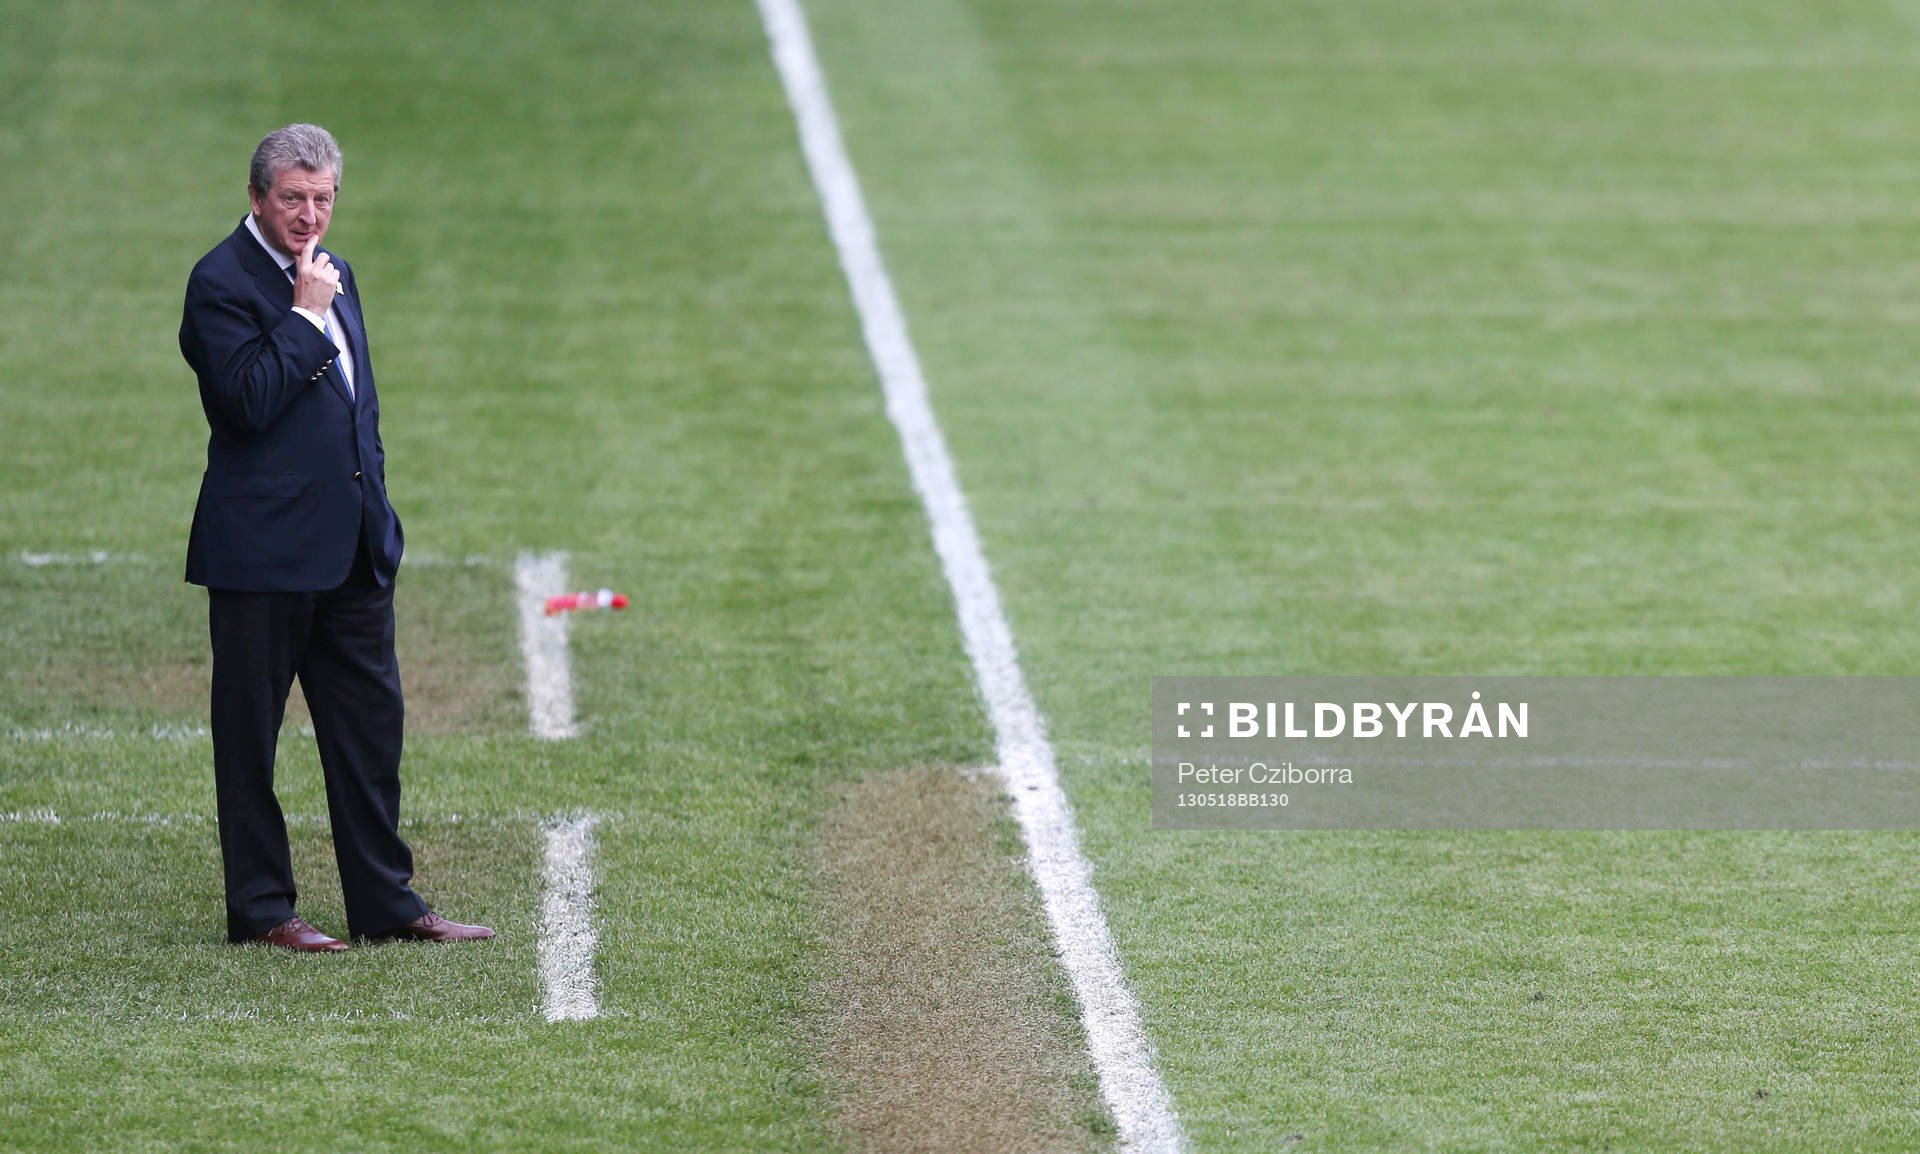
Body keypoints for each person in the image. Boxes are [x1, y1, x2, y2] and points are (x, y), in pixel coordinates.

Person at [179, 124, 492, 952]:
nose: (309, 215)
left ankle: (386, 903)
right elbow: (244, 404)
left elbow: (359, 405)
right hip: (262, 557)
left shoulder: (333, 270)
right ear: (256, 198)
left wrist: (379, 512)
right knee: (249, 742)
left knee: (369, 733)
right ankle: (262, 910)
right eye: (292, 198)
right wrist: (305, 318)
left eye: (322, 199)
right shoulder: (219, 283)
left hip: (352, 551)